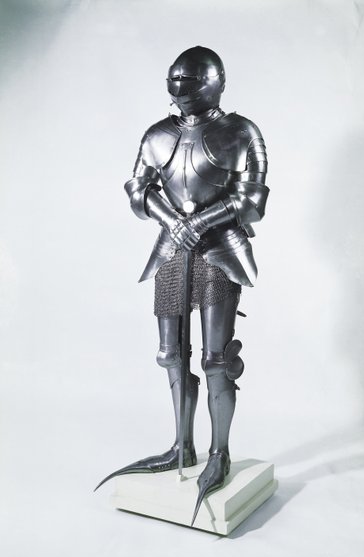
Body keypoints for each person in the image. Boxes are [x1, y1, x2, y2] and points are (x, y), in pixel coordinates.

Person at [95, 46, 269, 523]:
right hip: (171, 248)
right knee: (171, 354)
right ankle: (181, 446)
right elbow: (138, 188)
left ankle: (220, 454)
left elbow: (252, 200)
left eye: (188, 82)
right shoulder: (157, 134)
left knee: (216, 360)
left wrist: (201, 222)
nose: (180, 90)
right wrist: (174, 222)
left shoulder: (242, 132)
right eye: (174, 82)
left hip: (219, 250)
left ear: (215, 82)